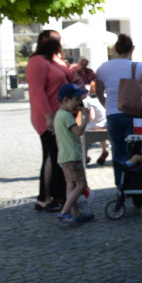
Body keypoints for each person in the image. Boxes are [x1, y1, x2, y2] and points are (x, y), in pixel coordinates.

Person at [26, 30, 76, 211]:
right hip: (48, 117)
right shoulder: (37, 62)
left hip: (60, 117)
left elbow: (69, 78)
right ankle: (46, 197)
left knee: (56, 156)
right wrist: (48, 116)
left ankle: (56, 196)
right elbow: (37, 92)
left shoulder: (54, 60)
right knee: (51, 155)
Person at [96, 34, 142, 188]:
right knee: (134, 150)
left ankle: (120, 186)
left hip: (112, 114)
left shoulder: (103, 68)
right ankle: (134, 184)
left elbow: (99, 93)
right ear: (132, 49)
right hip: (133, 114)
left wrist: (107, 105)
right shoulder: (138, 67)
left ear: (115, 49)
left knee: (117, 151)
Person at [53, 82, 94, 225]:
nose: (79, 102)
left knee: (70, 185)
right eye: (76, 99)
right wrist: (86, 117)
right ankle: (64, 212)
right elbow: (78, 132)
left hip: (64, 156)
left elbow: (58, 139)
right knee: (81, 185)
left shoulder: (58, 115)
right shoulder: (67, 116)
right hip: (73, 156)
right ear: (66, 100)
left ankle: (76, 213)